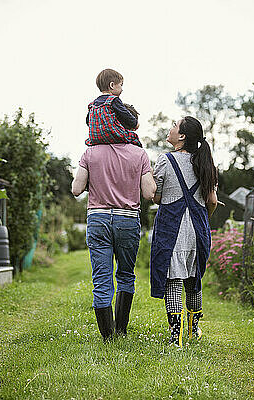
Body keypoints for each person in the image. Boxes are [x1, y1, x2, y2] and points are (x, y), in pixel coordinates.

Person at [71, 141, 156, 341]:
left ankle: (108, 338)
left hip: (98, 218)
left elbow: (76, 189)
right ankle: (121, 331)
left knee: (101, 279)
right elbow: (148, 193)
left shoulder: (90, 152)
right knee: (126, 275)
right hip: (127, 219)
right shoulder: (139, 154)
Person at [150, 116, 218, 346]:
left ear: (182, 136)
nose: (170, 128)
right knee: (193, 279)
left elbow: (156, 196)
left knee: (173, 280)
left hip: (172, 228)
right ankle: (193, 328)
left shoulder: (165, 161)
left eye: (174, 125)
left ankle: (175, 336)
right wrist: (201, 220)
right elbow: (213, 201)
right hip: (197, 230)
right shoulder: (207, 164)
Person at [85, 68, 142, 147]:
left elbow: (88, 121)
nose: (122, 89)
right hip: (114, 135)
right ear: (112, 85)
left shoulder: (92, 104)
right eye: (120, 85)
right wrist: (135, 124)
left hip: (95, 139)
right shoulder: (113, 100)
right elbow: (125, 114)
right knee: (134, 138)